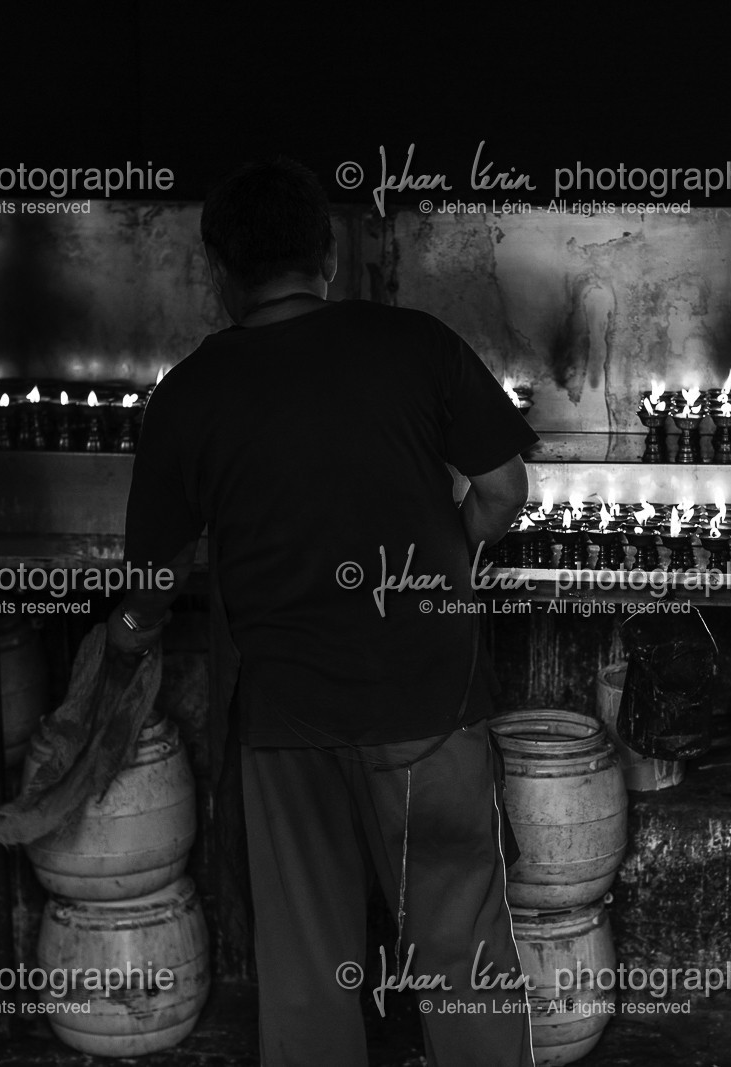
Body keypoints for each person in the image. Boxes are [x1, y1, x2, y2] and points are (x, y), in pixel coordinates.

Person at [108, 159, 538, 1066]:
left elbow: (150, 576)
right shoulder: (416, 343)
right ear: (330, 255)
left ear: (217, 271)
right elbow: (502, 490)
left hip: (290, 719)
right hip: (431, 700)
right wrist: (448, 565)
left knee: (309, 970)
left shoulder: (190, 390)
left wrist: (126, 640)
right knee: (463, 953)